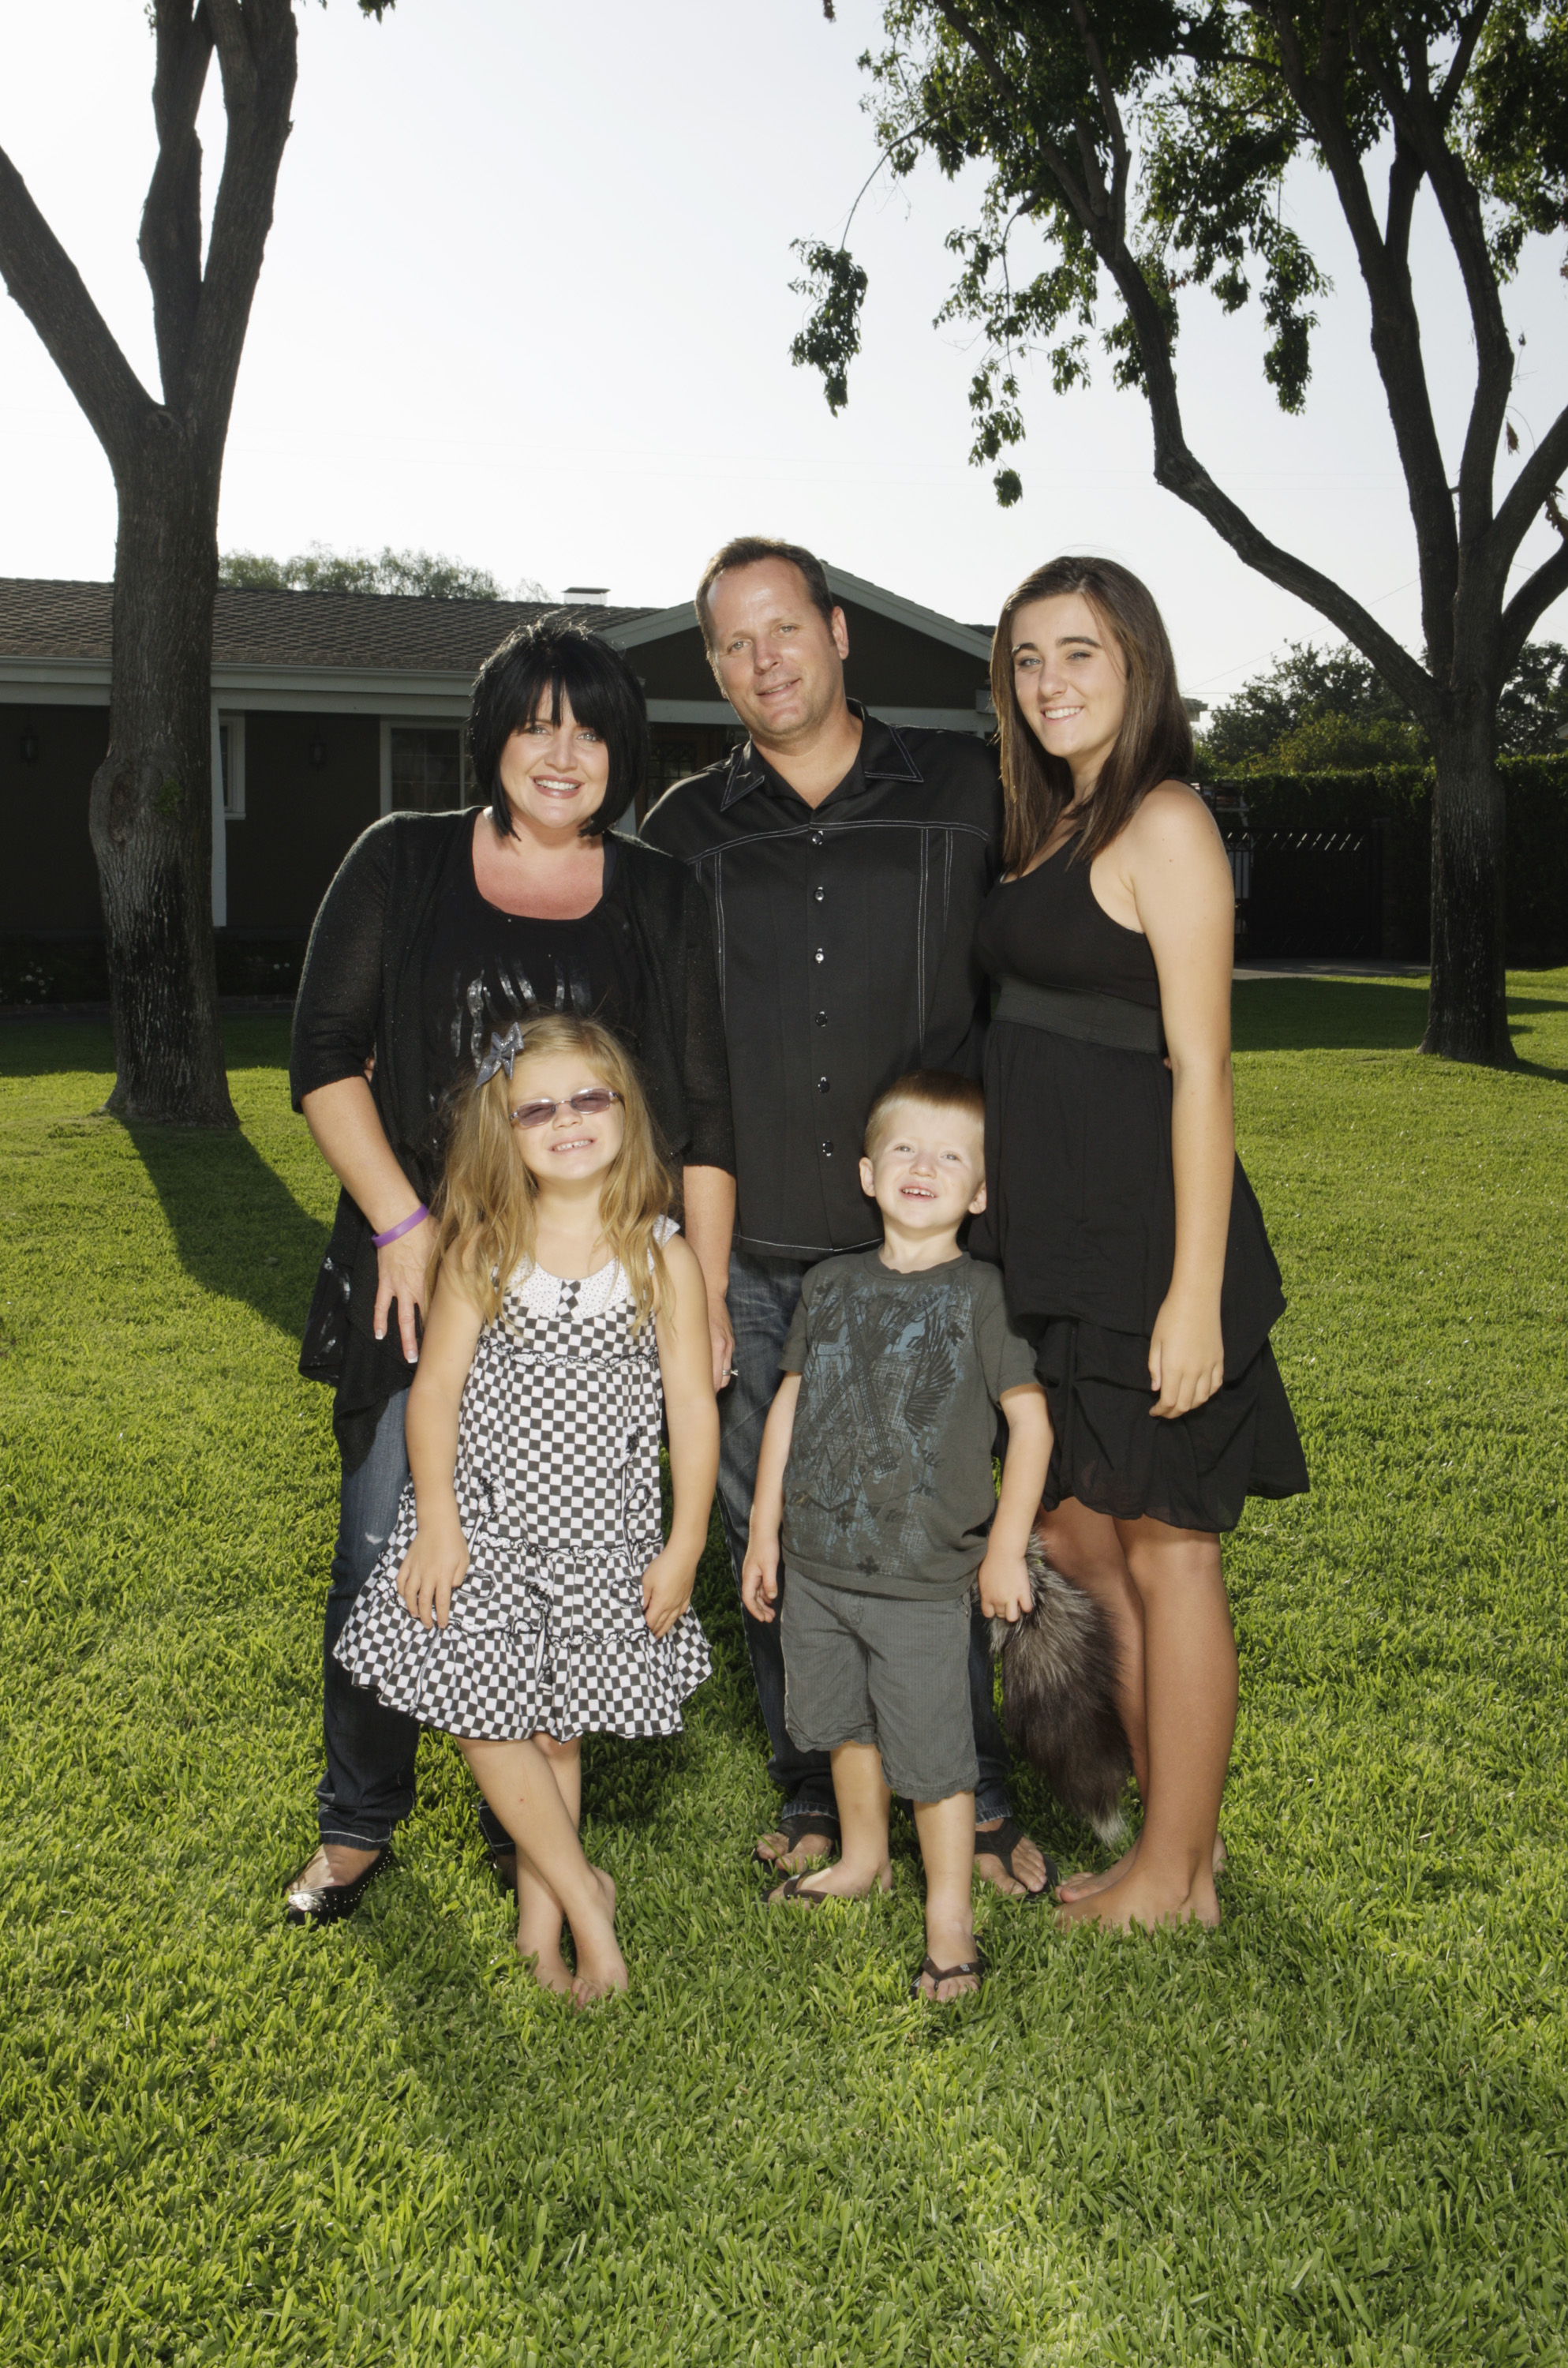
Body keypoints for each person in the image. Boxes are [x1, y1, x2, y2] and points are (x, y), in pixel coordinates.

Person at [285, 620, 733, 1928]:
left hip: (600, 1294)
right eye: (533, 723)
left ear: (621, 753)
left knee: (565, 1552)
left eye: (589, 729)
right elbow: (322, 1053)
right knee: (391, 1544)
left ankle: (529, 1829)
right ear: (491, 736)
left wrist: (695, 1295)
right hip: (425, 1276)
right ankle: (356, 1822)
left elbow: (702, 1114)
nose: (560, 751)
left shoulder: (660, 894)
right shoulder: (402, 860)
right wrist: (398, 1221)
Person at [641, 534, 1057, 1902]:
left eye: (785, 629)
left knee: (938, 1542)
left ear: (835, 631)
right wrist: (690, 1273)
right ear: (714, 668)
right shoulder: (684, 834)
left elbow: (1044, 971)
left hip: (929, 1260)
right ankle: (819, 1789)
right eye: (733, 643)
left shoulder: (960, 789)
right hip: (755, 1260)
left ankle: (975, 1796)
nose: (765, 660)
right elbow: (671, 1061)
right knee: (787, 1546)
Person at [971, 556, 1309, 1931]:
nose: (1048, 683)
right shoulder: (1048, 824)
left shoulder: (1163, 821)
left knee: (1170, 1552)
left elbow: (1203, 1072)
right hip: (1057, 1249)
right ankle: (1177, 1837)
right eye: (1027, 660)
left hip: (1152, 1254)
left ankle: (1173, 1878)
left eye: (1079, 655)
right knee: (1077, 1531)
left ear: (1138, 670)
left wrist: (1191, 1298)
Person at [331, 1016, 717, 2003]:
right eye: (536, 1108)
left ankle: (537, 1932)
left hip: (602, 1538)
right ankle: (590, 1902)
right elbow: (435, 1396)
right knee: (479, 1709)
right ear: (505, 1131)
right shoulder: (484, 1249)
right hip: (487, 1528)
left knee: (556, 1733)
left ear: (626, 1111)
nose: (567, 1122)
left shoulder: (662, 1258)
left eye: (589, 1099)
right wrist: (441, 1523)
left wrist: (684, 1545)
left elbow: (690, 1416)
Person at [742, 1071, 1052, 2000]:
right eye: (906, 1151)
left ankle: (948, 1918)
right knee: (846, 1727)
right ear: (870, 1173)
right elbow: (788, 1410)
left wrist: (1003, 1548)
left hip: (921, 1581)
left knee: (933, 1754)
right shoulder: (830, 1286)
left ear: (981, 1191)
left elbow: (1030, 1425)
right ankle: (864, 1858)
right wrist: (763, 1534)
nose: (926, 1167)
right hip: (819, 1570)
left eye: (951, 1155)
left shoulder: (982, 1295)